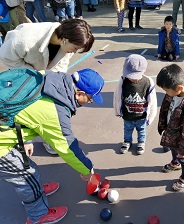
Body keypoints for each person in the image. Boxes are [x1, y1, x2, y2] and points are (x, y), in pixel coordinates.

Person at [0, 68, 105, 224]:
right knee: (27, 176)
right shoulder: (54, 112)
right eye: (89, 99)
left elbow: (23, 107)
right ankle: (38, 216)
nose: (89, 103)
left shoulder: (49, 76)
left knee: (27, 168)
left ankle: (36, 191)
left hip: (6, 128)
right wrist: (87, 170)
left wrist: (26, 140)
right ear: (79, 93)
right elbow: (68, 147)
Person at [0, 18, 94, 73]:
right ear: (65, 39)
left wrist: (52, 79)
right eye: (75, 48)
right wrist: (32, 74)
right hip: (23, 73)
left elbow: (62, 65)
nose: (74, 52)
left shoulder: (69, 43)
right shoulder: (24, 38)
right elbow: (7, 57)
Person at [113, 54, 157, 155]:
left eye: (134, 76)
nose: (132, 78)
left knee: (141, 130)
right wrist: (117, 111)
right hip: (127, 115)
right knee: (127, 129)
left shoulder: (148, 82)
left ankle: (141, 142)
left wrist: (150, 117)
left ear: (143, 71)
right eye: (129, 75)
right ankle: (127, 141)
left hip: (141, 116)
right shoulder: (123, 80)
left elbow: (152, 101)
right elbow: (117, 95)